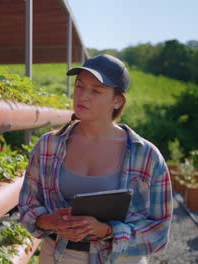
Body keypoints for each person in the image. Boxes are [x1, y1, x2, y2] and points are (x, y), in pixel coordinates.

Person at [18, 54, 172, 264]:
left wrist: (107, 230)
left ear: (117, 101)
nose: (82, 96)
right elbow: (28, 206)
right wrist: (51, 222)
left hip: (120, 259)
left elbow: (159, 230)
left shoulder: (146, 156)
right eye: (80, 86)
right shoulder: (48, 146)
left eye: (96, 91)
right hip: (57, 256)